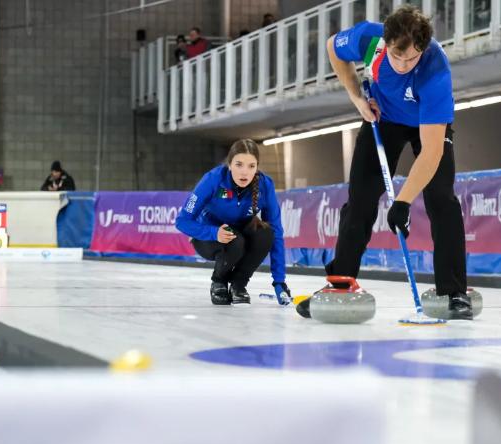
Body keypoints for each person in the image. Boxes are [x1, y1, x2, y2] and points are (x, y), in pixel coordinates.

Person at [324, 5, 472, 319]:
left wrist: (402, 202)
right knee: (360, 200)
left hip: (426, 123)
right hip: (383, 117)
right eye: (396, 56)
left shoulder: (435, 70)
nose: (404, 65)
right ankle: (339, 283)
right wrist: (357, 99)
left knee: (441, 198)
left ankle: (455, 291)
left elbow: (431, 153)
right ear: (386, 43)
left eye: (411, 58)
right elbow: (332, 48)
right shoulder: (368, 38)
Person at [176, 139, 290, 306]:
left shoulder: (265, 185)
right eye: (239, 165)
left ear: (257, 167)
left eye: (251, 166)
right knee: (235, 239)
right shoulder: (212, 180)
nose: (245, 172)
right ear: (229, 164)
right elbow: (182, 221)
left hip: (241, 235)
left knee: (266, 234)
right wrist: (213, 232)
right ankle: (219, 281)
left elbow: (277, 232)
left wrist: (279, 281)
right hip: (209, 237)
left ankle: (239, 285)